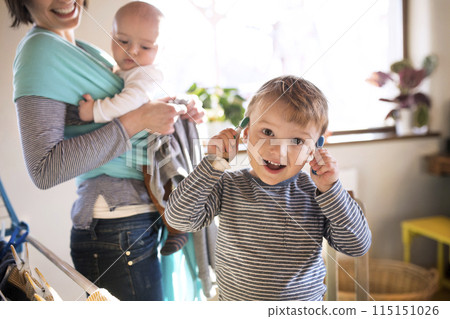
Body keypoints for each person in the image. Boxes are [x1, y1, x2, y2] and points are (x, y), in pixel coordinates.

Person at [5, 0, 204, 301]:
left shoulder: (82, 50)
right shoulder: (39, 52)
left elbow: (136, 98)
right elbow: (43, 169)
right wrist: (138, 119)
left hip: (133, 220)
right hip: (116, 226)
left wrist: (179, 105)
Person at [165, 75, 371, 300]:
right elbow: (178, 219)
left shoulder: (318, 195)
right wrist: (213, 164)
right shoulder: (227, 186)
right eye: (268, 133)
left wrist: (331, 190)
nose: (277, 150)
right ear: (244, 133)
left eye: (296, 141)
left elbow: (357, 246)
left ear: (315, 147)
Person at [78, 1, 189, 256]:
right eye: (123, 41)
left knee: (157, 183)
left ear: (158, 49)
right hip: (146, 141)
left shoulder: (145, 74)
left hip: (158, 144)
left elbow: (129, 101)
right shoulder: (126, 70)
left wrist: (95, 110)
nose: (133, 51)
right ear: (112, 37)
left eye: (145, 46)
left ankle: (177, 227)